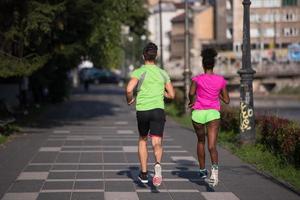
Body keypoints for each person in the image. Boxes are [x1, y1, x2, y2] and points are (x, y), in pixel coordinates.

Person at [126, 42, 175, 186]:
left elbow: (129, 89)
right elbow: (172, 95)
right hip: (158, 110)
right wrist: (162, 92)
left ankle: (144, 173)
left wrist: (130, 100)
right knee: (156, 141)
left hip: (142, 110)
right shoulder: (163, 73)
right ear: (157, 56)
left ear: (143, 56)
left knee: (142, 139)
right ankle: (158, 164)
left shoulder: (139, 72)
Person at [188, 48, 230, 187]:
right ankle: (215, 174)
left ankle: (201, 170)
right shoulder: (220, 80)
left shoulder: (197, 79)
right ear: (213, 65)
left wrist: (192, 101)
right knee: (212, 146)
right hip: (213, 114)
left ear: (203, 65)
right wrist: (216, 93)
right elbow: (227, 100)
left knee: (201, 141)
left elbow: (191, 93)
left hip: (198, 113)